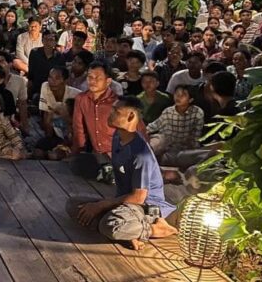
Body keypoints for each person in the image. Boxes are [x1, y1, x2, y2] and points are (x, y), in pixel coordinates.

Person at [66, 96, 178, 249]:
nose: (110, 114)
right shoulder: (117, 137)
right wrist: (101, 206)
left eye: (116, 111)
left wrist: (101, 205)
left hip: (146, 207)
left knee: (110, 225)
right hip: (124, 203)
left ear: (131, 116)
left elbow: (139, 197)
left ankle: (154, 229)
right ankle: (129, 230)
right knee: (74, 205)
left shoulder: (141, 153)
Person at [147, 85, 205, 163]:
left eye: (183, 95)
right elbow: (155, 125)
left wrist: (194, 151)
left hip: (184, 150)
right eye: (177, 94)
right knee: (157, 141)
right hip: (166, 147)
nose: (178, 97)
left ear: (190, 99)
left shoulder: (197, 113)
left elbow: (196, 137)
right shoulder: (168, 111)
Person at [34, 66, 79, 159]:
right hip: (56, 133)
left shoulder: (77, 95)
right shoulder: (45, 86)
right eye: (50, 77)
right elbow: (46, 117)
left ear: (65, 81)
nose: (52, 81)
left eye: (57, 78)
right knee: (38, 152)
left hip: (72, 137)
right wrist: (49, 140)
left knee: (55, 155)